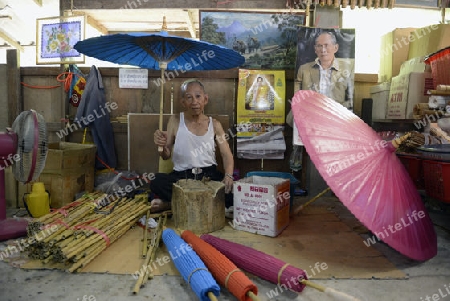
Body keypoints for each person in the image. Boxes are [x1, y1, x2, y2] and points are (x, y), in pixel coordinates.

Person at [150, 79, 234, 213]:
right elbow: (166, 156)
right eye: (189, 97)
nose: (194, 101)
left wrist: (229, 175)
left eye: (198, 96)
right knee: (155, 180)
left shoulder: (215, 125)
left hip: (208, 177)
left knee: (233, 194)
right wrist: (161, 146)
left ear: (205, 99)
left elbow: (226, 155)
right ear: (183, 102)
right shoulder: (175, 120)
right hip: (182, 178)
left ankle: (172, 205)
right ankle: (202, 204)